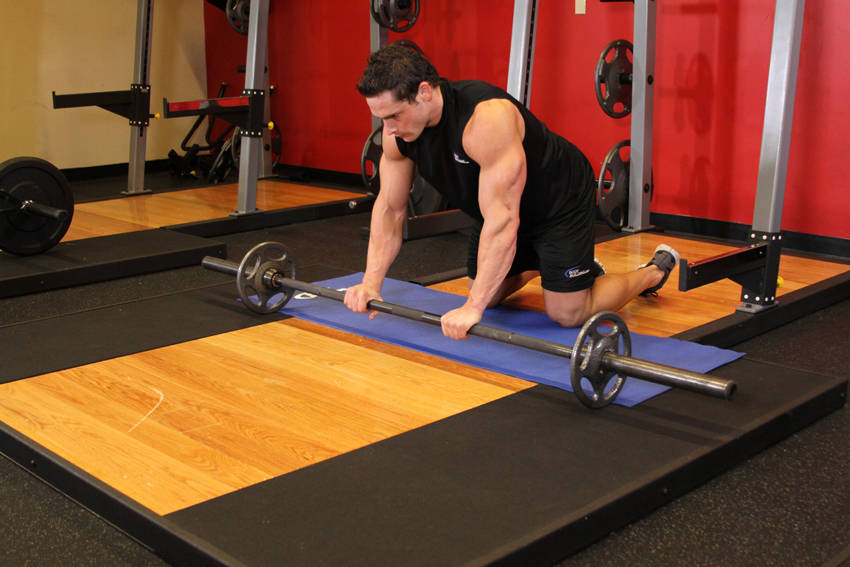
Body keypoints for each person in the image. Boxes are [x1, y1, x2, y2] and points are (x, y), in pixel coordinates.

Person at [344, 44, 679, 340]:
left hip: (556, 201)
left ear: (425, 92)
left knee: (567, 312)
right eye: (381, 118)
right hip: (498, 208)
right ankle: (545, 268)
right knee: (484, 293)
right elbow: (390, 208)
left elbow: (503, 221)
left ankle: (651, 273)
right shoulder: (397, 135)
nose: (387, 129)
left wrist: (472, 309)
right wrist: (372, 282)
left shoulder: (484, 120)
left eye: (394, 116)